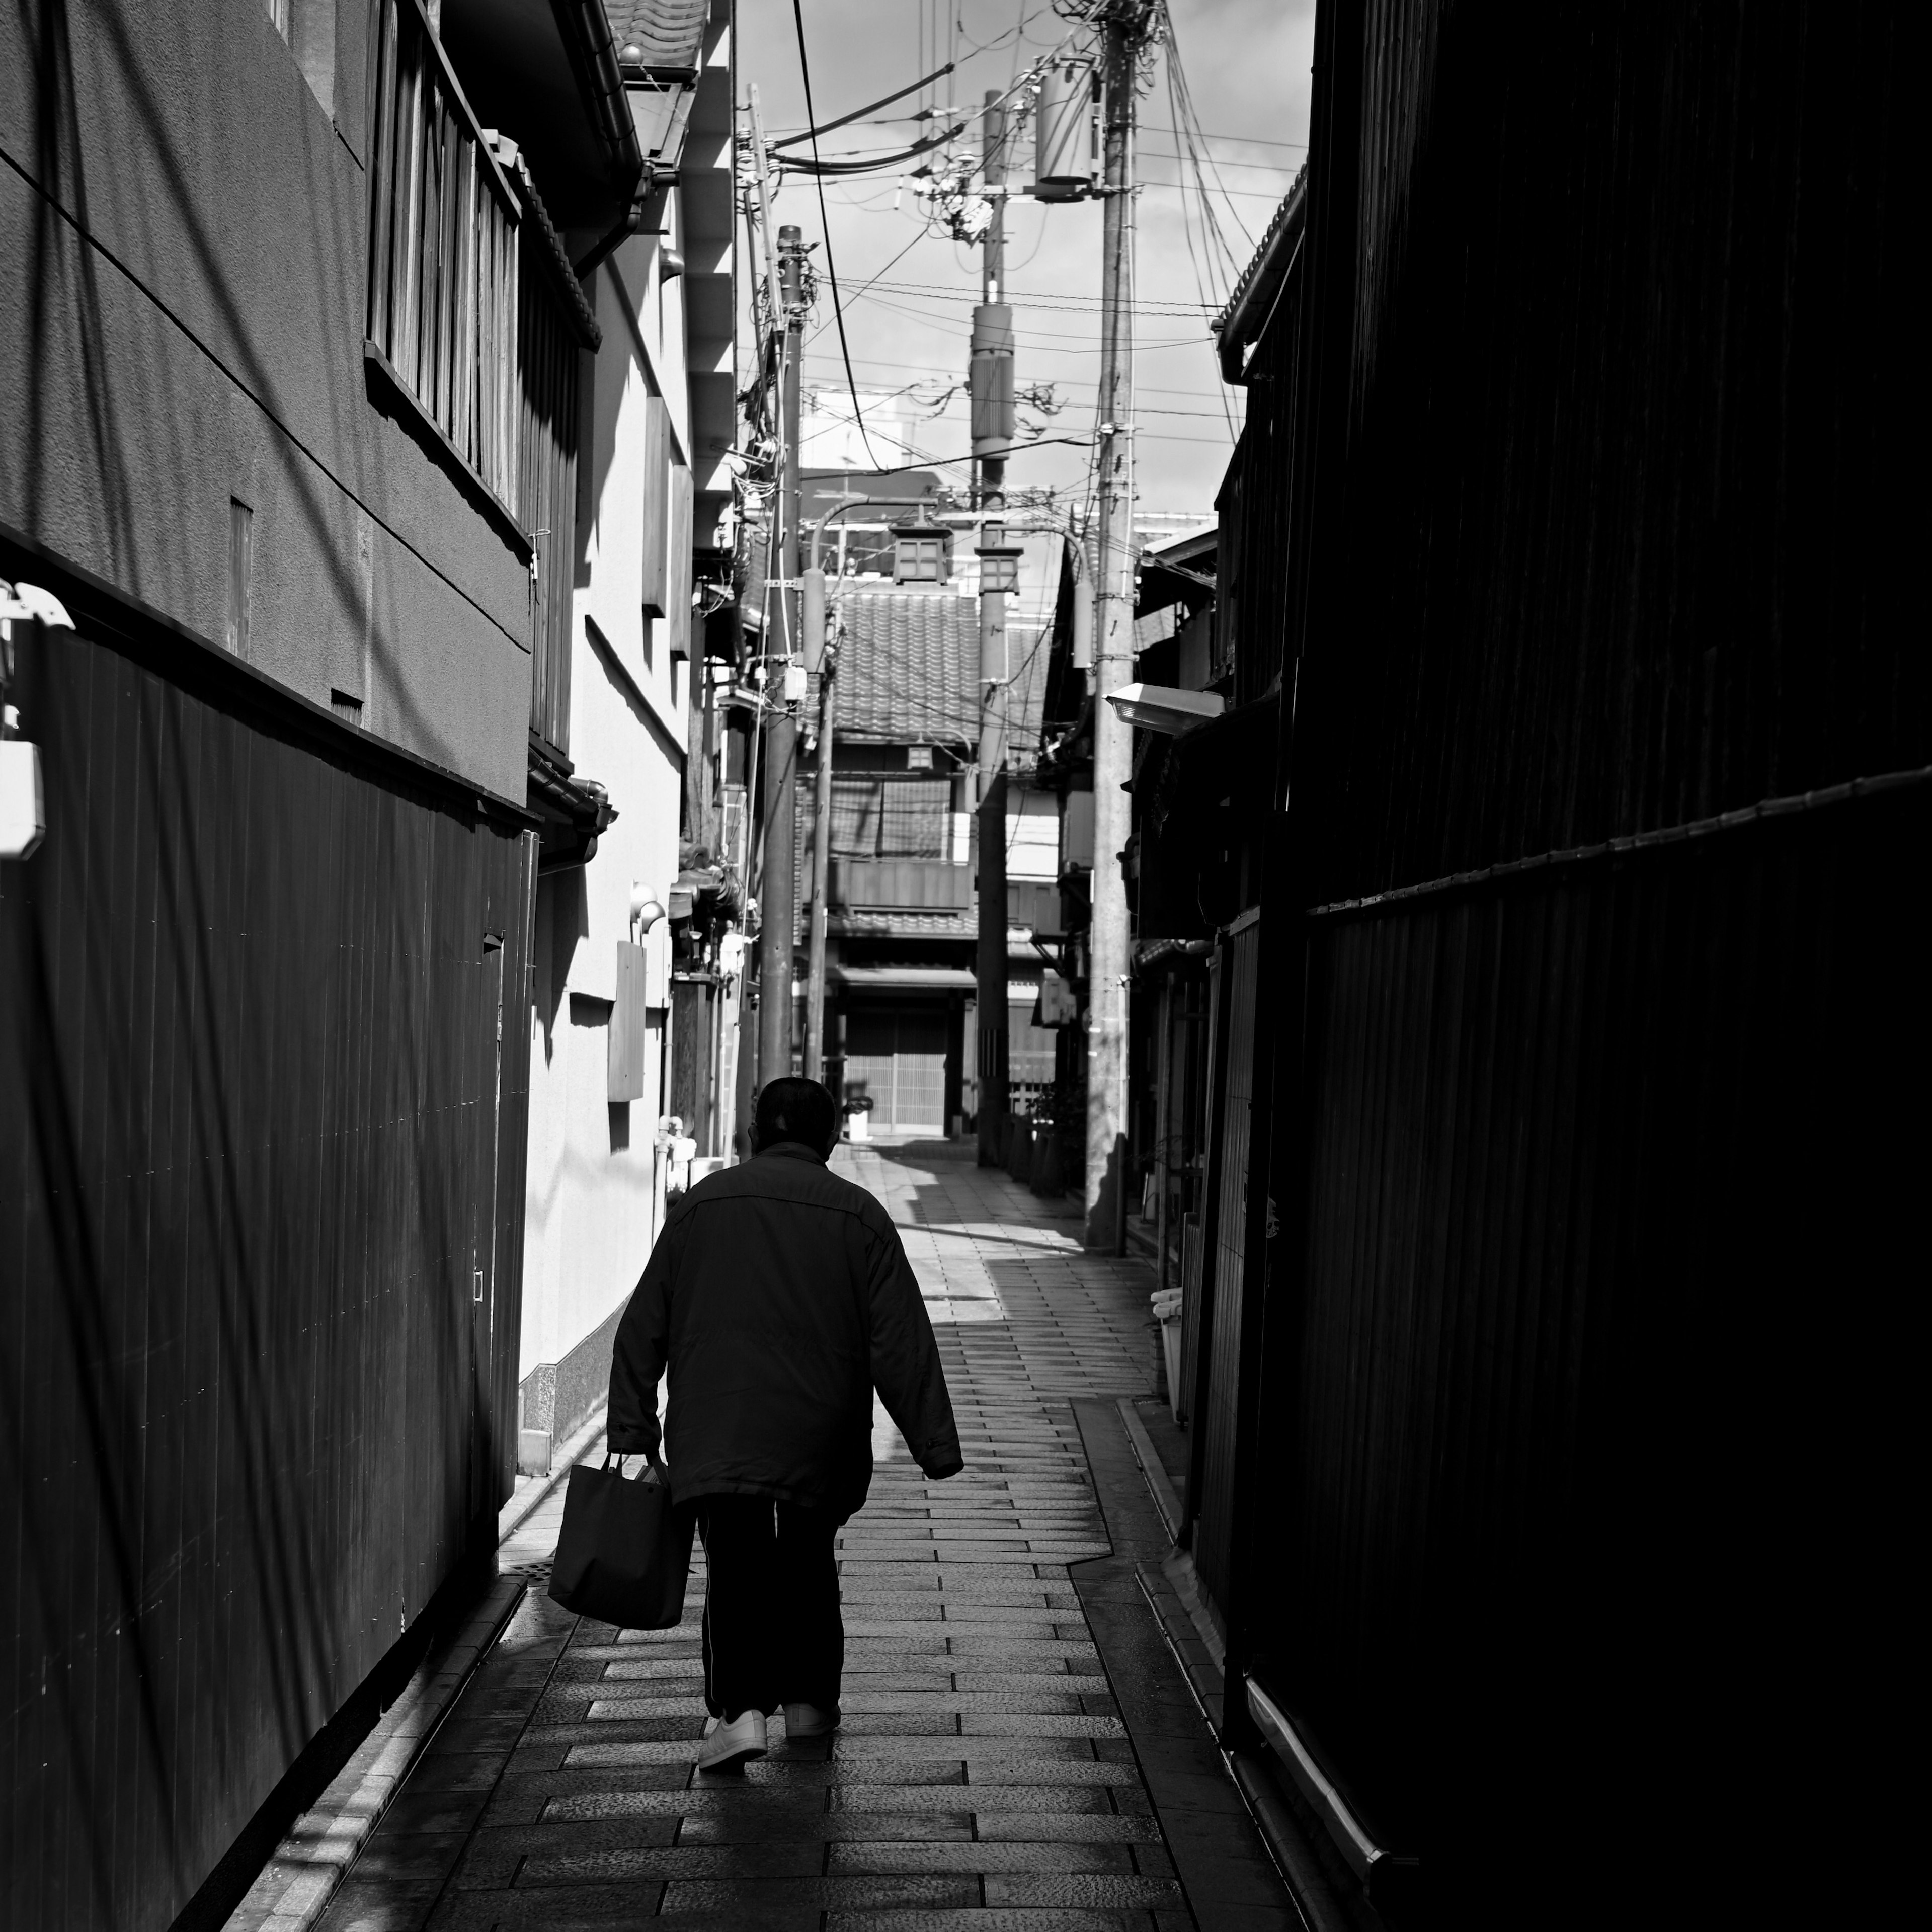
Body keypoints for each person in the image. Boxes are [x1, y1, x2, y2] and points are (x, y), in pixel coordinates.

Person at [606, 1075, 963, 1772]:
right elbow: (901, 1341)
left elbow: (641, 1329)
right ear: (830, 1138)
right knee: (806, 1560)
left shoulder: (699, 1209)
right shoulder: (859, 1216)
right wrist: (935, 1446)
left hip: (718, 1430)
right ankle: (807, 1706)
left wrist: (632, 1433)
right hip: (819, 1435)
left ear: (752, 1134)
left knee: (735, 1562)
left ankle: (739, 1714)